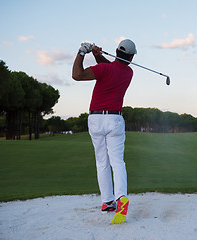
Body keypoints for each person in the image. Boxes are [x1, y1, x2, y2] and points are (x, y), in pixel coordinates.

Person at [72, 39, 137, 224]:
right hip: (115, 119)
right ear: (131, 57)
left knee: (102, 162)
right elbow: (113, 67)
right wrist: (97, 54)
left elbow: (77, 75)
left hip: (95, 119)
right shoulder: (128, 72)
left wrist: (82, 51)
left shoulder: (104, 70)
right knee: (117, 162)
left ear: (116, 51)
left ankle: (107, 203)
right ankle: (121, 198)